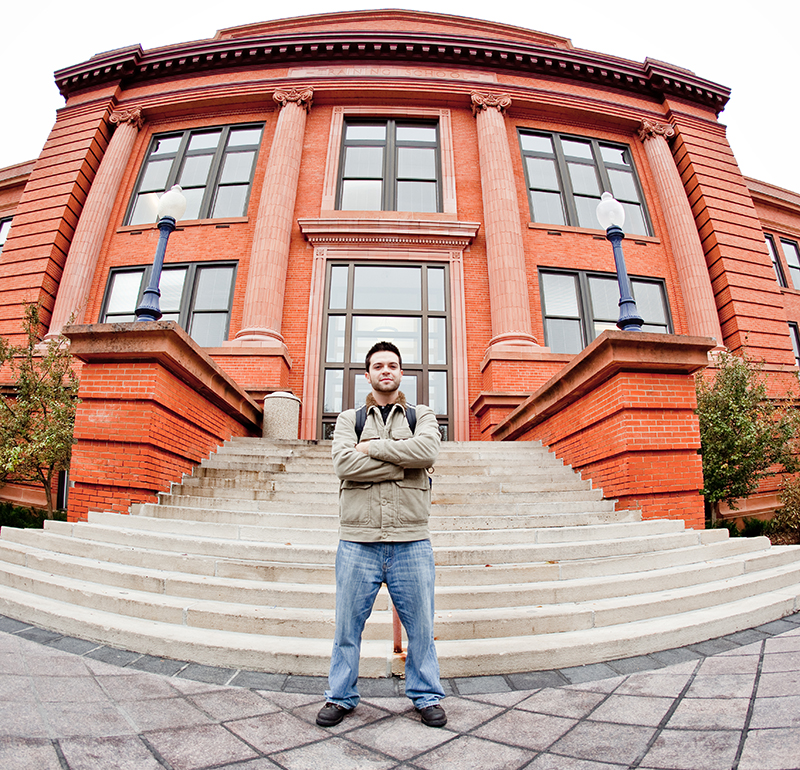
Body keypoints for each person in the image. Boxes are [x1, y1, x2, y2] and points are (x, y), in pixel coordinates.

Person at [316, 340, 446, 728]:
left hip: (411, 540)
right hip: (358, 541)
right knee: (346, 628)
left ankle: (426, 696)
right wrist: (401, 462)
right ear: (367, 374)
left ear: (401, 372)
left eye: (392, 365)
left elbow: (427, 452)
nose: (385, 370)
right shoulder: (347, 419)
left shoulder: (421, 414)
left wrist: (372, 448)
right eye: (378, 365)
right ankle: (340, 697)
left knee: (421, 628)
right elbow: (343, 463)